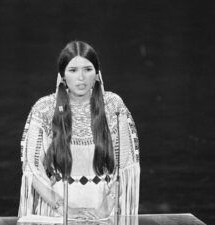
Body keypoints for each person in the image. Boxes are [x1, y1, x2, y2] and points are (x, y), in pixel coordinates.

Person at [18, 41, 140, 219]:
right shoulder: (44, 108)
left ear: (97, 74)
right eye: (73, 70)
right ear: (62, 75)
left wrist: (104, 210)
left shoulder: (113, 106)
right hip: (56, 214)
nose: (81, 77)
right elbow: (32, 167)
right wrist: (64, 210)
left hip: (104, 212)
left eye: (88, 69)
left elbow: (126, 166)